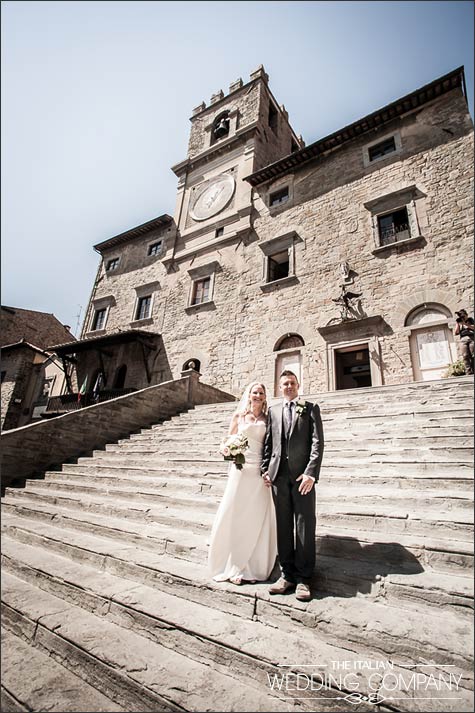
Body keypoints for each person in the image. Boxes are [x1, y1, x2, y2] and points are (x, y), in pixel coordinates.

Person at [261, 370, 324, 602]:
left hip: (302, 478)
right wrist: (264, 470)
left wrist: (311, 473)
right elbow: (268, 443)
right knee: (283, 526)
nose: (288, 386)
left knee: (305, 525)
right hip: (279, 477)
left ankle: (305, 578)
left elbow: (318, 443)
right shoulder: (273, 411)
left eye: (292, 383)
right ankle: (287, 574)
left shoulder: (310, 407)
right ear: (279, 387)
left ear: (298, 385)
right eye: (284, 383)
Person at [208, 382, 277, 586]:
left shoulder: (268, 419)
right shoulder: (238, 417)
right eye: (254, 392)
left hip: (259, 472)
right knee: (236, 513)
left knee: (255, 516)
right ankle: (233, 563)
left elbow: (271, 444)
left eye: (261, 393)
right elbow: (227, 441)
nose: (257, 395)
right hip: (240, 470)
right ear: (249, 395)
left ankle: (252, 565)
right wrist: (228, 450)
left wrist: (269, 470)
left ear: (265, 397)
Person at [454, 309, 474, 375]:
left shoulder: (470, 320)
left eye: (463, 316)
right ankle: (468, 371)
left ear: (466, 315)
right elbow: (456, 332)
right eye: (461, 316)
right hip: (463, 339)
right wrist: (458, 324)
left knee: (473, 354)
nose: (463, 317)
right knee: (465, 355)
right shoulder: (458, 321)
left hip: (471, 337)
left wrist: (466, 324)